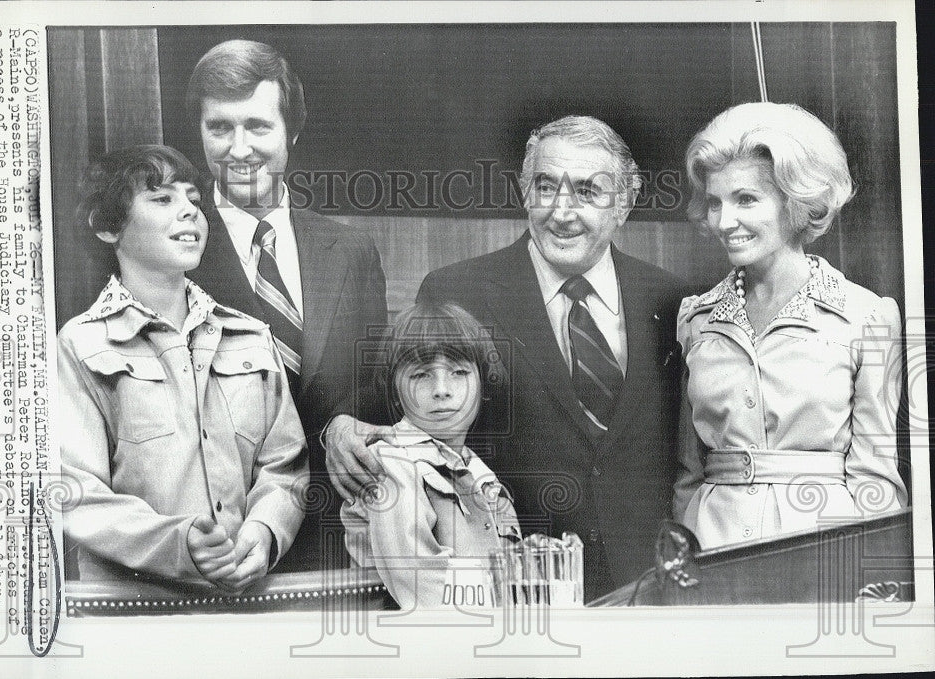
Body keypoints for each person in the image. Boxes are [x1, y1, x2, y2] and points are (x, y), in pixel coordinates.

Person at [328, 116, 686, 599]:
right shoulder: (457, 291)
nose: (562, 212)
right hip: (515, 592)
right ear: (524, 194)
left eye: (587, 191)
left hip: (651, 589)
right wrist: (340, 429)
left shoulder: (671, 301)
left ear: (623, 203)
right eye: (545, 187)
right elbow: (392, 422)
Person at [57, 145, 308, 590]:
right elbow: (74, 492)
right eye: (163, 199)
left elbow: (285, 466)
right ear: (107, 228)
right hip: (134, 612)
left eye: (194, 199)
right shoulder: (81, 344)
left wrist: (266, 531)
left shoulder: (251, 335)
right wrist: (177, 542)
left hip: (247, 600)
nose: (190, 212)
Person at [184, 40, 388, 569]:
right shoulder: (172, 253)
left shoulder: (351, 251)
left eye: (258, 126)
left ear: (292, 132)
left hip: (346, 531)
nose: (238, 148)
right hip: (223, 540)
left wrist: (344, 422)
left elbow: (374, 381)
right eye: (219, 128)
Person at [674, 102, 908, 549]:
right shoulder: (695, 318)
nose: (724, 222)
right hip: (711, 549)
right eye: (715, 202)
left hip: (821, 548)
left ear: (797, 201)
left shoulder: (867, 317)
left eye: (746, 199)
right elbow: (689, 473)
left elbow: (876, 482)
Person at [340, 302, 520, 608]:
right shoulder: (392, 465)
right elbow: (427, 590)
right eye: (421, 375)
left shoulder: (480, 474)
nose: (441, 390)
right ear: (395, 390)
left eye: (459, 372)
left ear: (483, 384)